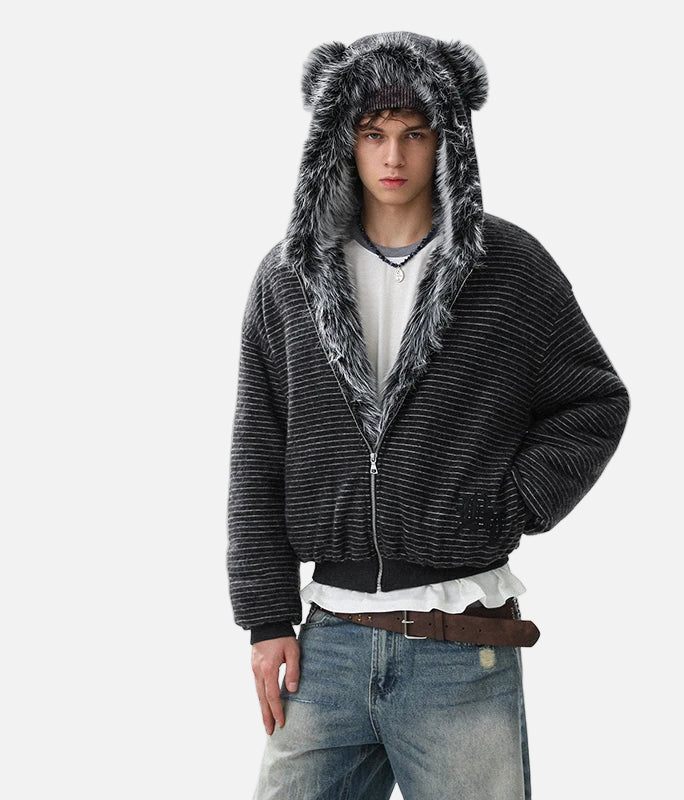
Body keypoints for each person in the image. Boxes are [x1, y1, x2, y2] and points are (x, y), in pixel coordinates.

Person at [227, 31, 630, 800]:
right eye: (373, 133)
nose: (393, 156)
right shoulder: (288, 278)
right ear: (340, 139)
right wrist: (266, 620)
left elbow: (594, 400)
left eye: (415, 134)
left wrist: (509, 500)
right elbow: (258, 453)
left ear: (449, 140)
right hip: (328, 646)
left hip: (462, 644)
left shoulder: (510, 269)